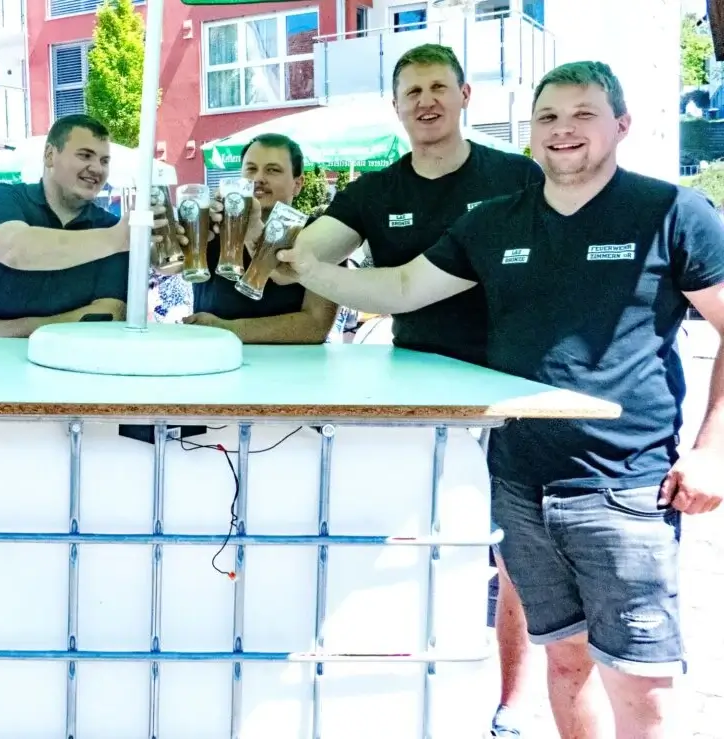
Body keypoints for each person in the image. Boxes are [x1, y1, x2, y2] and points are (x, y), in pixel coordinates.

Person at [279, 60, 724, 738]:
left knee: (642, 686)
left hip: (628, 485)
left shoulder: (673, 212)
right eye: (549, 117)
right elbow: (400, 289)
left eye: (583, 114)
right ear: (531, 132)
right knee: (567, 664)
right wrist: (310, 269)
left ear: (622, 125)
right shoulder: (492, 222)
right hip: (517, 478)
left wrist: (712, 451)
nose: (564, 129)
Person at [282, 43, 545, 736]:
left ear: (465, 96)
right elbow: (309, 253)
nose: (426, 102)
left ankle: (511, 701)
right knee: (420, 541)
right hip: (418, 389)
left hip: (511, 385)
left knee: (511, 552)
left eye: (438, 87)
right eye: (412, 92)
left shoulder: (517, 175)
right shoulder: (377, 191)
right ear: (396, 107)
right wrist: (283, 249)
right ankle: (409, 683)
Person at [0, 114, 177, 337]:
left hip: (65, 357)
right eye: (85, 155)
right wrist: (117, 239)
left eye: (104, 161)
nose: (97, 169)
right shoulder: (2, 198)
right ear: (49, 155)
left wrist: (7, 330)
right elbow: (15, 249)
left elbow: (111, 313)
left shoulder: (111, 226)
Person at [183, 134, 337, 344]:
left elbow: (316, 325)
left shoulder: (321, 233)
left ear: (297, 184)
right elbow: (166, 267)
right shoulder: (212, 224)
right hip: (216, 359)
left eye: (273, 170)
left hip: (291, 362)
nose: (258, 178)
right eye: (251, 169)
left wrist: (225, 329)